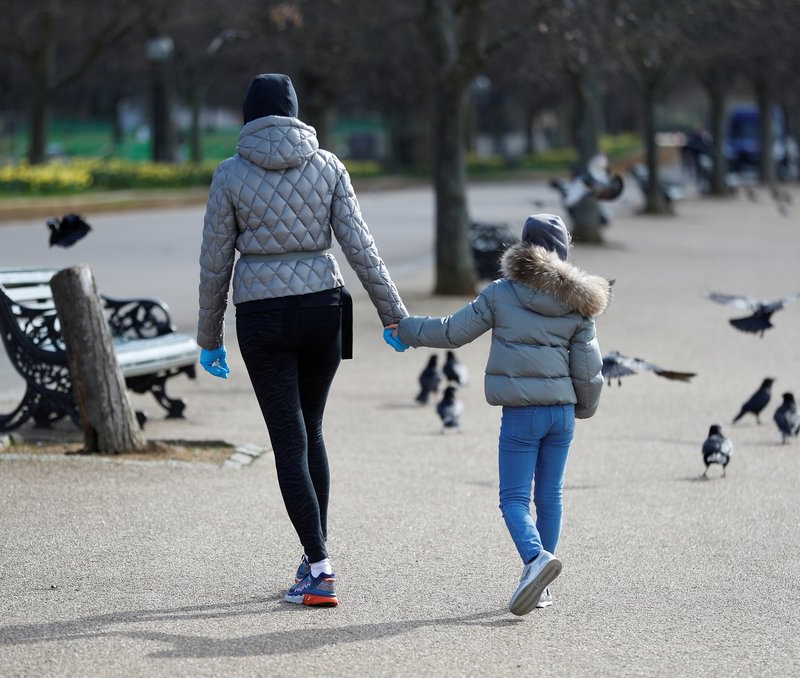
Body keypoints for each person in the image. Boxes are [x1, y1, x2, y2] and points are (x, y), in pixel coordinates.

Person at [196, 73, 409, 607]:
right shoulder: (329, 165)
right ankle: (317, 555)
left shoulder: (229, 175)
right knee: (311, 430)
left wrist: (209, 337)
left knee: (288, 439)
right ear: (294, 113)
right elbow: (361, 246)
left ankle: (318, 568)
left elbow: (215, 263)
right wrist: (393, 314)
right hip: (324, 307)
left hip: (262, 316)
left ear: (249, 115)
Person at [390, 214, 611, 615]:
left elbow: (452, 331)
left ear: (525, 248)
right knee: (550, 495)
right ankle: (541, 586)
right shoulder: (581, 304)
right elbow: (589, 370)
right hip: (561, 414)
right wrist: (583, 409)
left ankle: (536, 560)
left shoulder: (502, 293)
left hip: (522, 413)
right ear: (564, 252)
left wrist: (406, 330)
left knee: (513, 498)